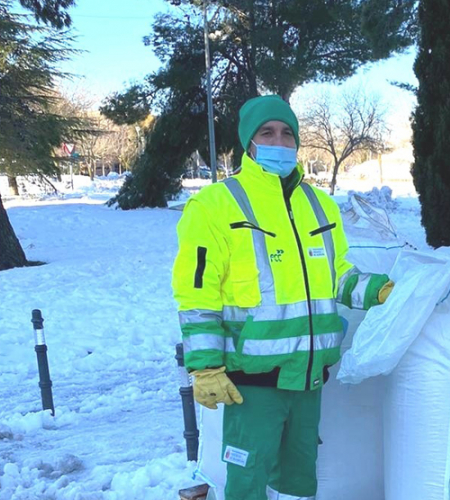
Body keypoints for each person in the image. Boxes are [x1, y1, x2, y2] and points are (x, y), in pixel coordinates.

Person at [172, 95, 393, 500]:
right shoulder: (215, 206)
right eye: (267, 132)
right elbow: (196, 291)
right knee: (248, 477)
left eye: (287, 133)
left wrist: (377, 290)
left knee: (297, 479)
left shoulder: (319, 204)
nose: (279, 141)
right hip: (251, 380)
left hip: (307, 376)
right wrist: (204, 366)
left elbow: (337, 274)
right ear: (249, 143)